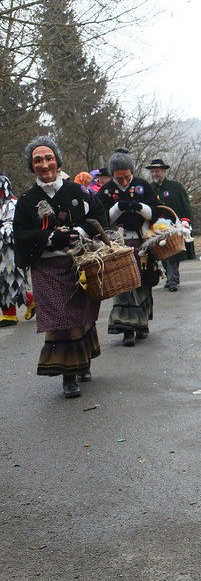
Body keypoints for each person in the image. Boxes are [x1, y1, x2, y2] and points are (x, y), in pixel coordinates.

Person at [12, 137, 107, 398]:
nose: (45, 164)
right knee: (61, 321)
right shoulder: (27, 201)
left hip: (79, 264)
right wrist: (51, 238)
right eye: (38, 160)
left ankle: (84, 361)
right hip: (47, 269)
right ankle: (68, 376)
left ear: (58, 160)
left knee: (81, 314)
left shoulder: (78, 192)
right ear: (32, 166)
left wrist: (79, 232)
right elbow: (20, 236)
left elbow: (98, 218)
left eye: (49, 158)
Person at [97, 148, 161, 346]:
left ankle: (141, 324)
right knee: (123, 285)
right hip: (118, 244)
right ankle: (126, 329)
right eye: (119, 178)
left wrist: (141, 208)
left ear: (131, 172)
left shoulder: (142, 186)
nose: (124, 182)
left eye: (127, 177)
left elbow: (156, 213)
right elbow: (101, 219)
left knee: (142, 284)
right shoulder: (106, 192)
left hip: (142, 243)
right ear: (113, 175)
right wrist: (118, 208)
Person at [144, 158, 195, 292]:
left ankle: (173, 280)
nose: (155, 174)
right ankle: (170, 278)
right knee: (162, 254)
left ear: (164, 172)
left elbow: (185, 206)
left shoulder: (175, 187)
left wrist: (185, 221)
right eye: (153, 171)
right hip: (156, 229)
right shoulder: (149, 189)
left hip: (173, 228)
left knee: (173, 254)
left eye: (158, 171)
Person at [1, 173, 34, 327]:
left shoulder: (12, 205)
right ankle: (31, 302)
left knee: (11, 280)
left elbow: (12, 227)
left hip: (11, 252)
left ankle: (10, 314)